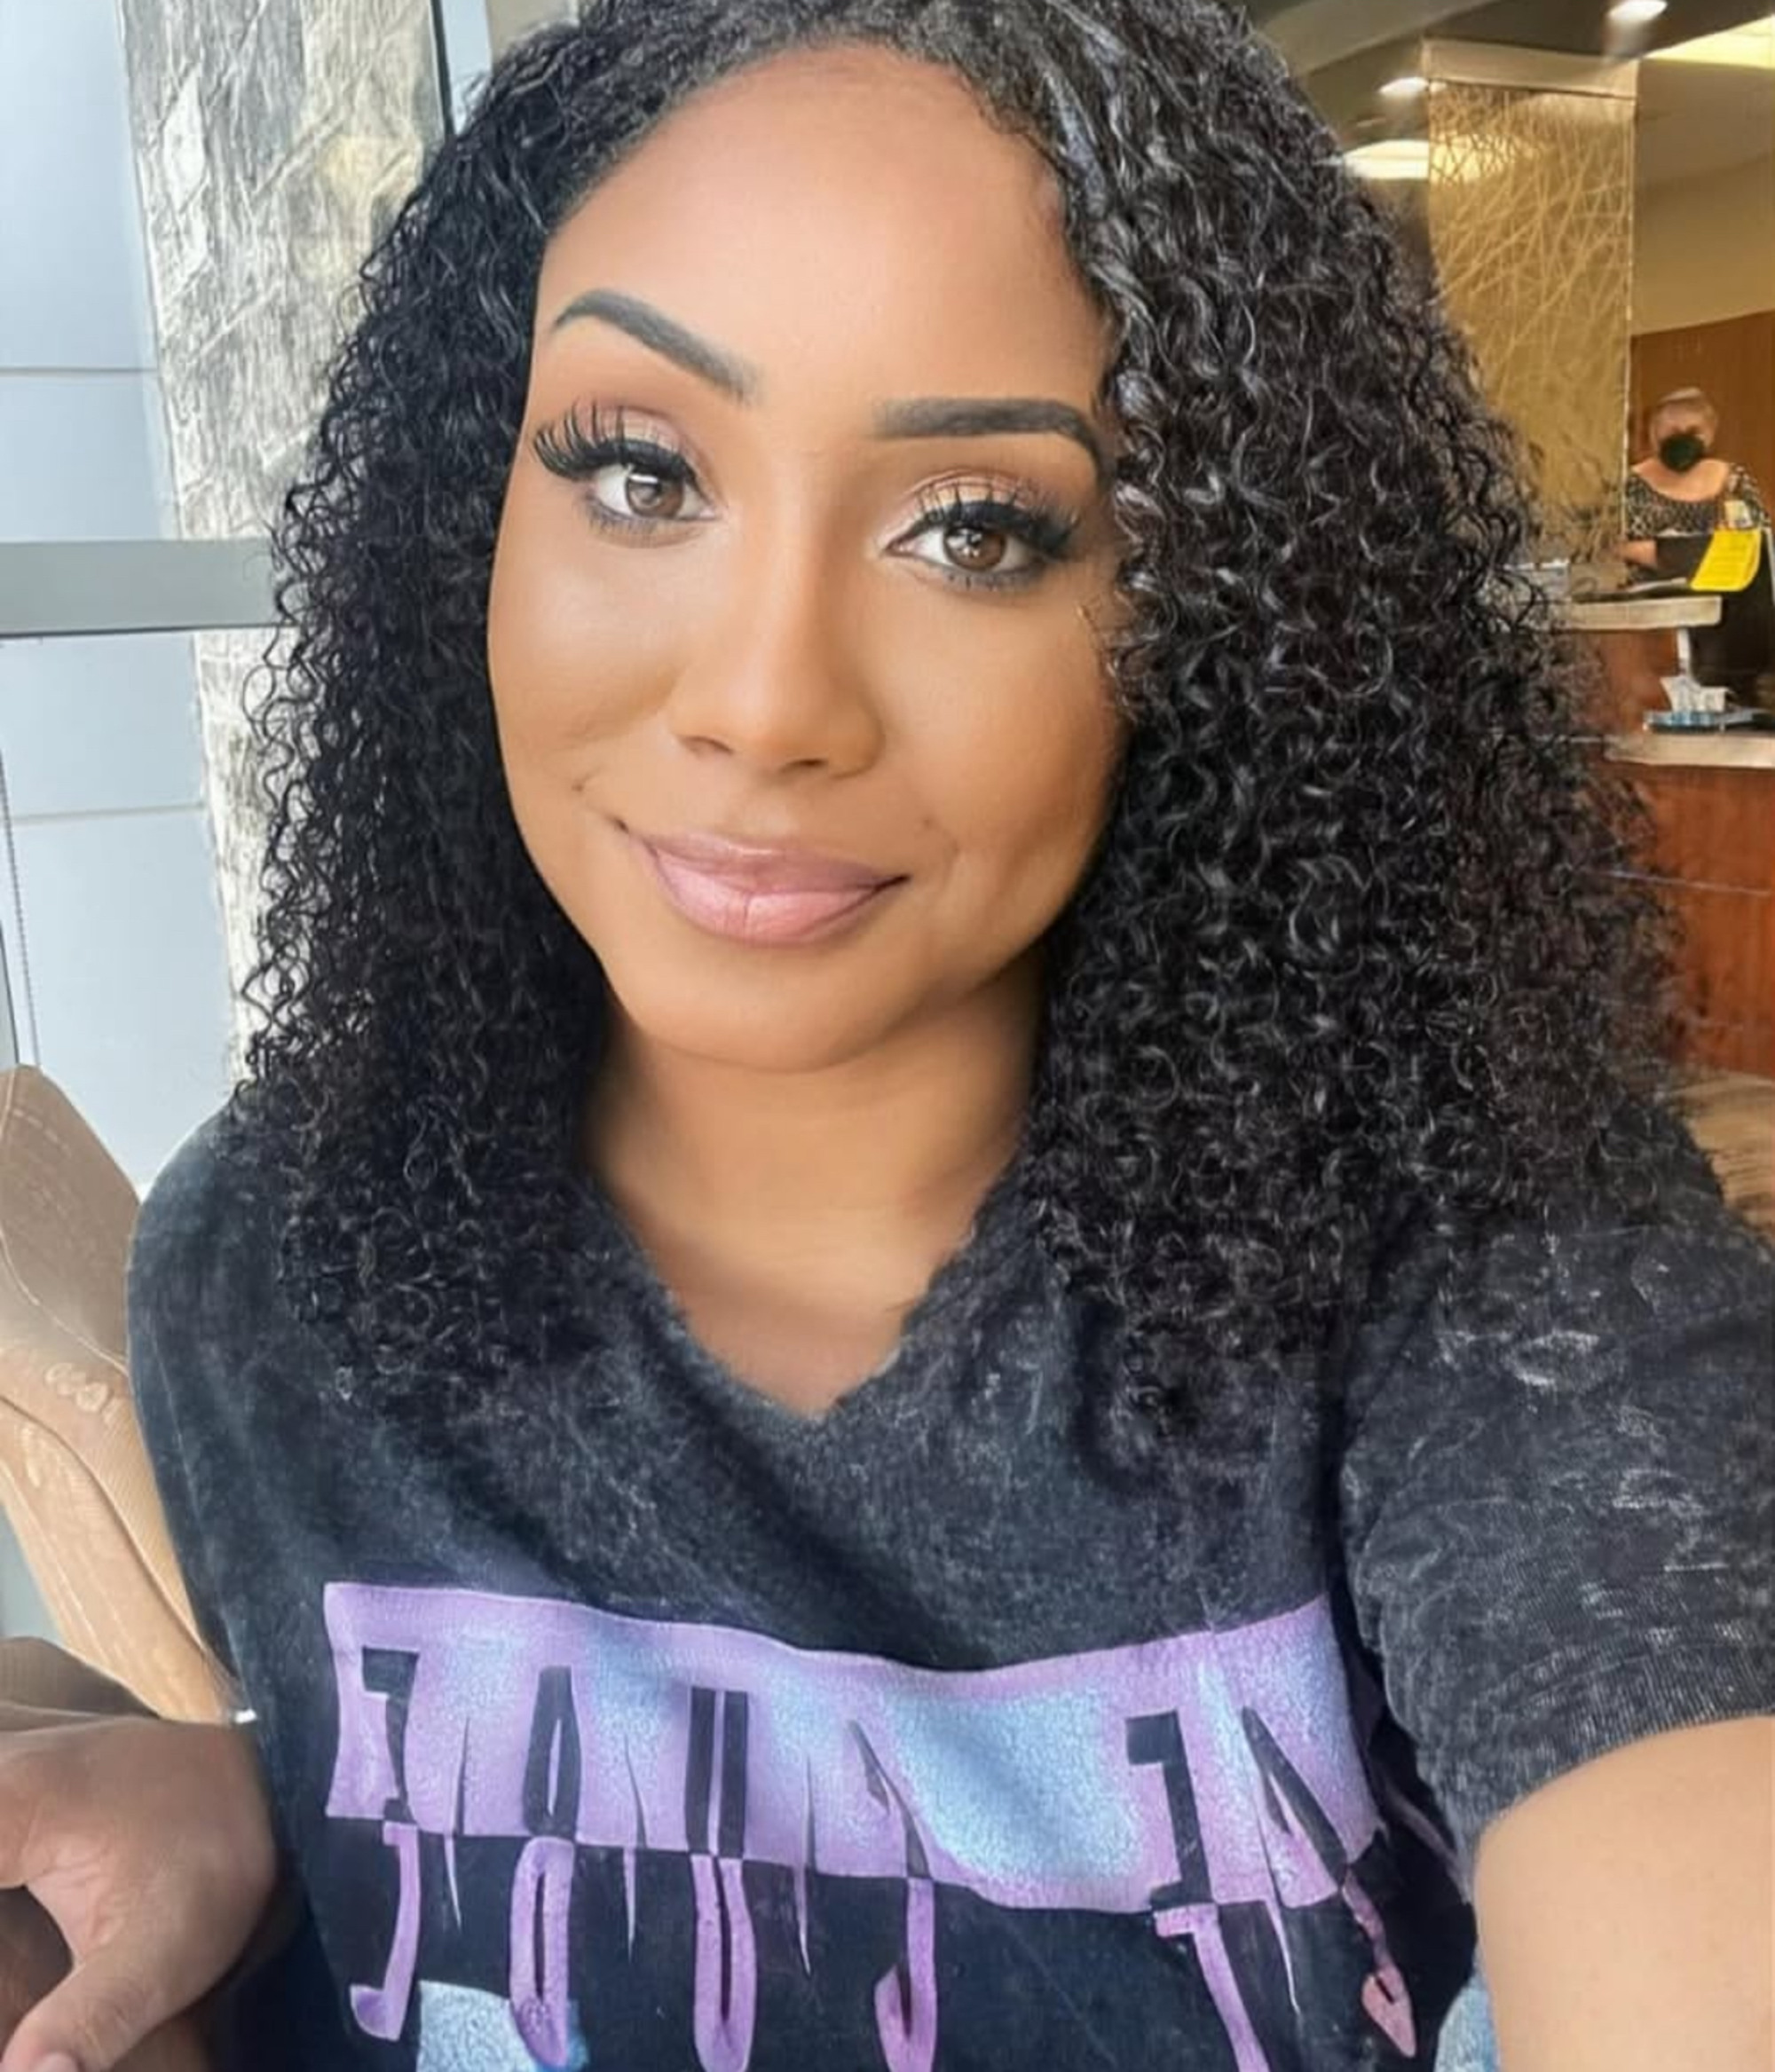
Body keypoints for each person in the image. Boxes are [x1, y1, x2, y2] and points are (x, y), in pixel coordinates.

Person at [2, 3, 1771, 2069]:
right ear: (466, 520)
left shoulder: (1486, 1258)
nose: (764, 702)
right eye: (640, 473)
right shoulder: (291, 1250)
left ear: (1208, 625)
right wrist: (270, 1811)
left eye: (977, 529)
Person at [1620, 386, 1769, 571]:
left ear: (1710, 434)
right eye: (1673, 432)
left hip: (1723, 585)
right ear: (1654, 434)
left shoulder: (1733, 480)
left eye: (1693, 432)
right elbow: (1613, 548)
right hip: (1651, 588)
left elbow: (1757, 546)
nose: (1683, 440)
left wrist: (1662, 553)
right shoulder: (1630, 485)